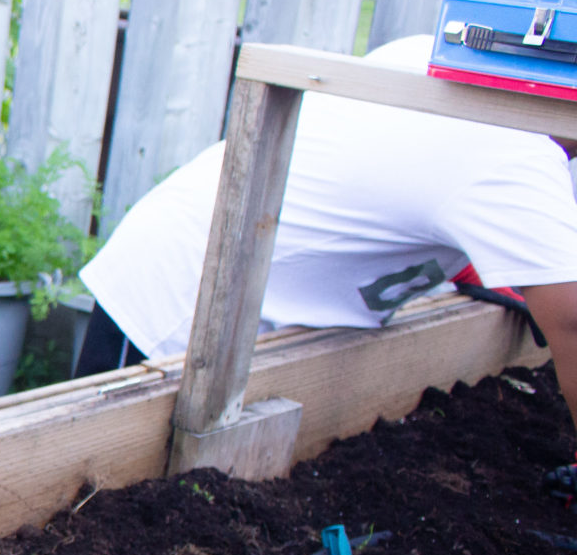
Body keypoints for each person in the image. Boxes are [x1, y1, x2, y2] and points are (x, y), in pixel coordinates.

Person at [75, 34, 577, 443]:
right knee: (93, 471)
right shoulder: (520, 160)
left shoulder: (433, 57)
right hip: (185, 295)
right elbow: (572, 324)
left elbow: (399, 178)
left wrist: (477, 263)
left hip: (240, 291)